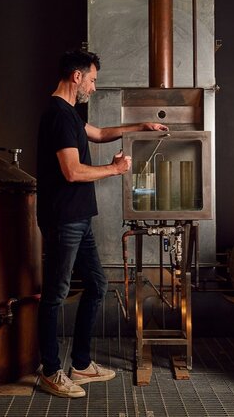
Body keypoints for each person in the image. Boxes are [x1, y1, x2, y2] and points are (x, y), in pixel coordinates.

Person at [35, 49, 167, 398]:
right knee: (55, 294)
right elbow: (71, 171)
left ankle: (80, 364)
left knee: (96, 285)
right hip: (63, 219)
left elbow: (101, 132)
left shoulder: (70, 115)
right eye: (92, 80)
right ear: (76, 76)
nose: (93, 87)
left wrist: (140, 126)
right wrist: (114, 169)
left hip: (79, 219)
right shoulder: (58, 116)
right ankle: (50, 370)